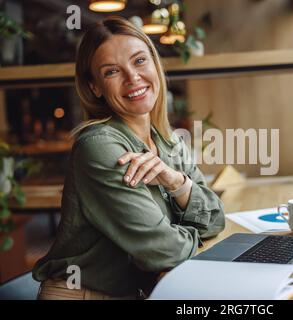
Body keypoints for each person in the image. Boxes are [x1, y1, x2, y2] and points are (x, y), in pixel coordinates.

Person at [32, 16, 226, 300]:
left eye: (139, 61)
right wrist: (193, 230)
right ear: (95, 86)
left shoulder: (168, 140)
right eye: (112, 71)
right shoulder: (100, 147)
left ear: (155, 64)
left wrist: (177, 182)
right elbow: (164, 252)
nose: (133, 78)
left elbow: (216, 217)